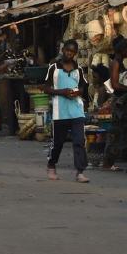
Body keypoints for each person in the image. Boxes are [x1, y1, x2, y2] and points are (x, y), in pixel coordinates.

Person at [44, 39, 90, 183]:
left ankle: (80, 172)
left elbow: (83, 88)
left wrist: (77, 93)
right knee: (58, 142)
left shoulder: (79, 70)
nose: (69, 54)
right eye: (67, 51)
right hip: (60, 111)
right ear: (63, 50)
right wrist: (61, 92)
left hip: (76, 110)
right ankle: (51, 165)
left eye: (72, 52)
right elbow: (46, 88)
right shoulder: (54, 68)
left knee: (79, 141)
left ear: (75, 54)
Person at [103, 36, 127, 170]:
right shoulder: (116, 62)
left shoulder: (120, 62)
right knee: (115, 132)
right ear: (122, 50)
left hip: (122, 101)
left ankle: (110, 161)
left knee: (119, 131)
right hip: (119, 102)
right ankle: (107, 162)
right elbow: (115, 85)